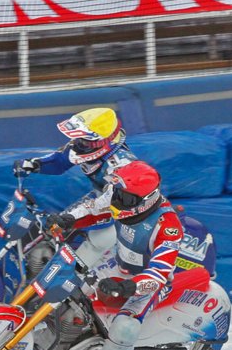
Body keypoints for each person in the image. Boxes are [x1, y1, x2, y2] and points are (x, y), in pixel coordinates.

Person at [54, 161, 206, 350]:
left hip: (147, 282)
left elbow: (159, 272)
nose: (115, 199)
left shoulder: (167, 226)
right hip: (118, 263)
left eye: (122, 196)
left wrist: (130, 287)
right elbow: (95, 207)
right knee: (68, 286)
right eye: (116, 192)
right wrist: (68, 219)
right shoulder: (121, 197)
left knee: (125, 326)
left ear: (143, 200)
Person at [13, 107, 138, 260]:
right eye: (79, 139)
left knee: (99, 240)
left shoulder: (122, 166)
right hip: (100, 196)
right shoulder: (84, 147)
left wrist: (72, 218)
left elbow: (114, 204)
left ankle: (76, 277)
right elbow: (59, 160)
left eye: (84, 141)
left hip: (122, 213)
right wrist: (33, 164)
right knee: (53, 228)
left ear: (102, 142)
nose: (78, 144)